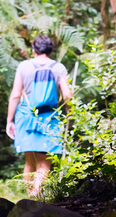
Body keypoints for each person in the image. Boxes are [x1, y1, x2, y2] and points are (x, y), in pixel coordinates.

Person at [6, 35, 73, 197]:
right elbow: (67, 96)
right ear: (50, 50)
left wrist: (9, 120)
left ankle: (31, 196)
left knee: (29, 160)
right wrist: (69, 114)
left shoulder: (24, 66)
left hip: (26, 116)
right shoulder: (59, 68)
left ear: (33, 50)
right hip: (49, 118)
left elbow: (15, 95)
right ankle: (36, 192)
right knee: (45, 160)